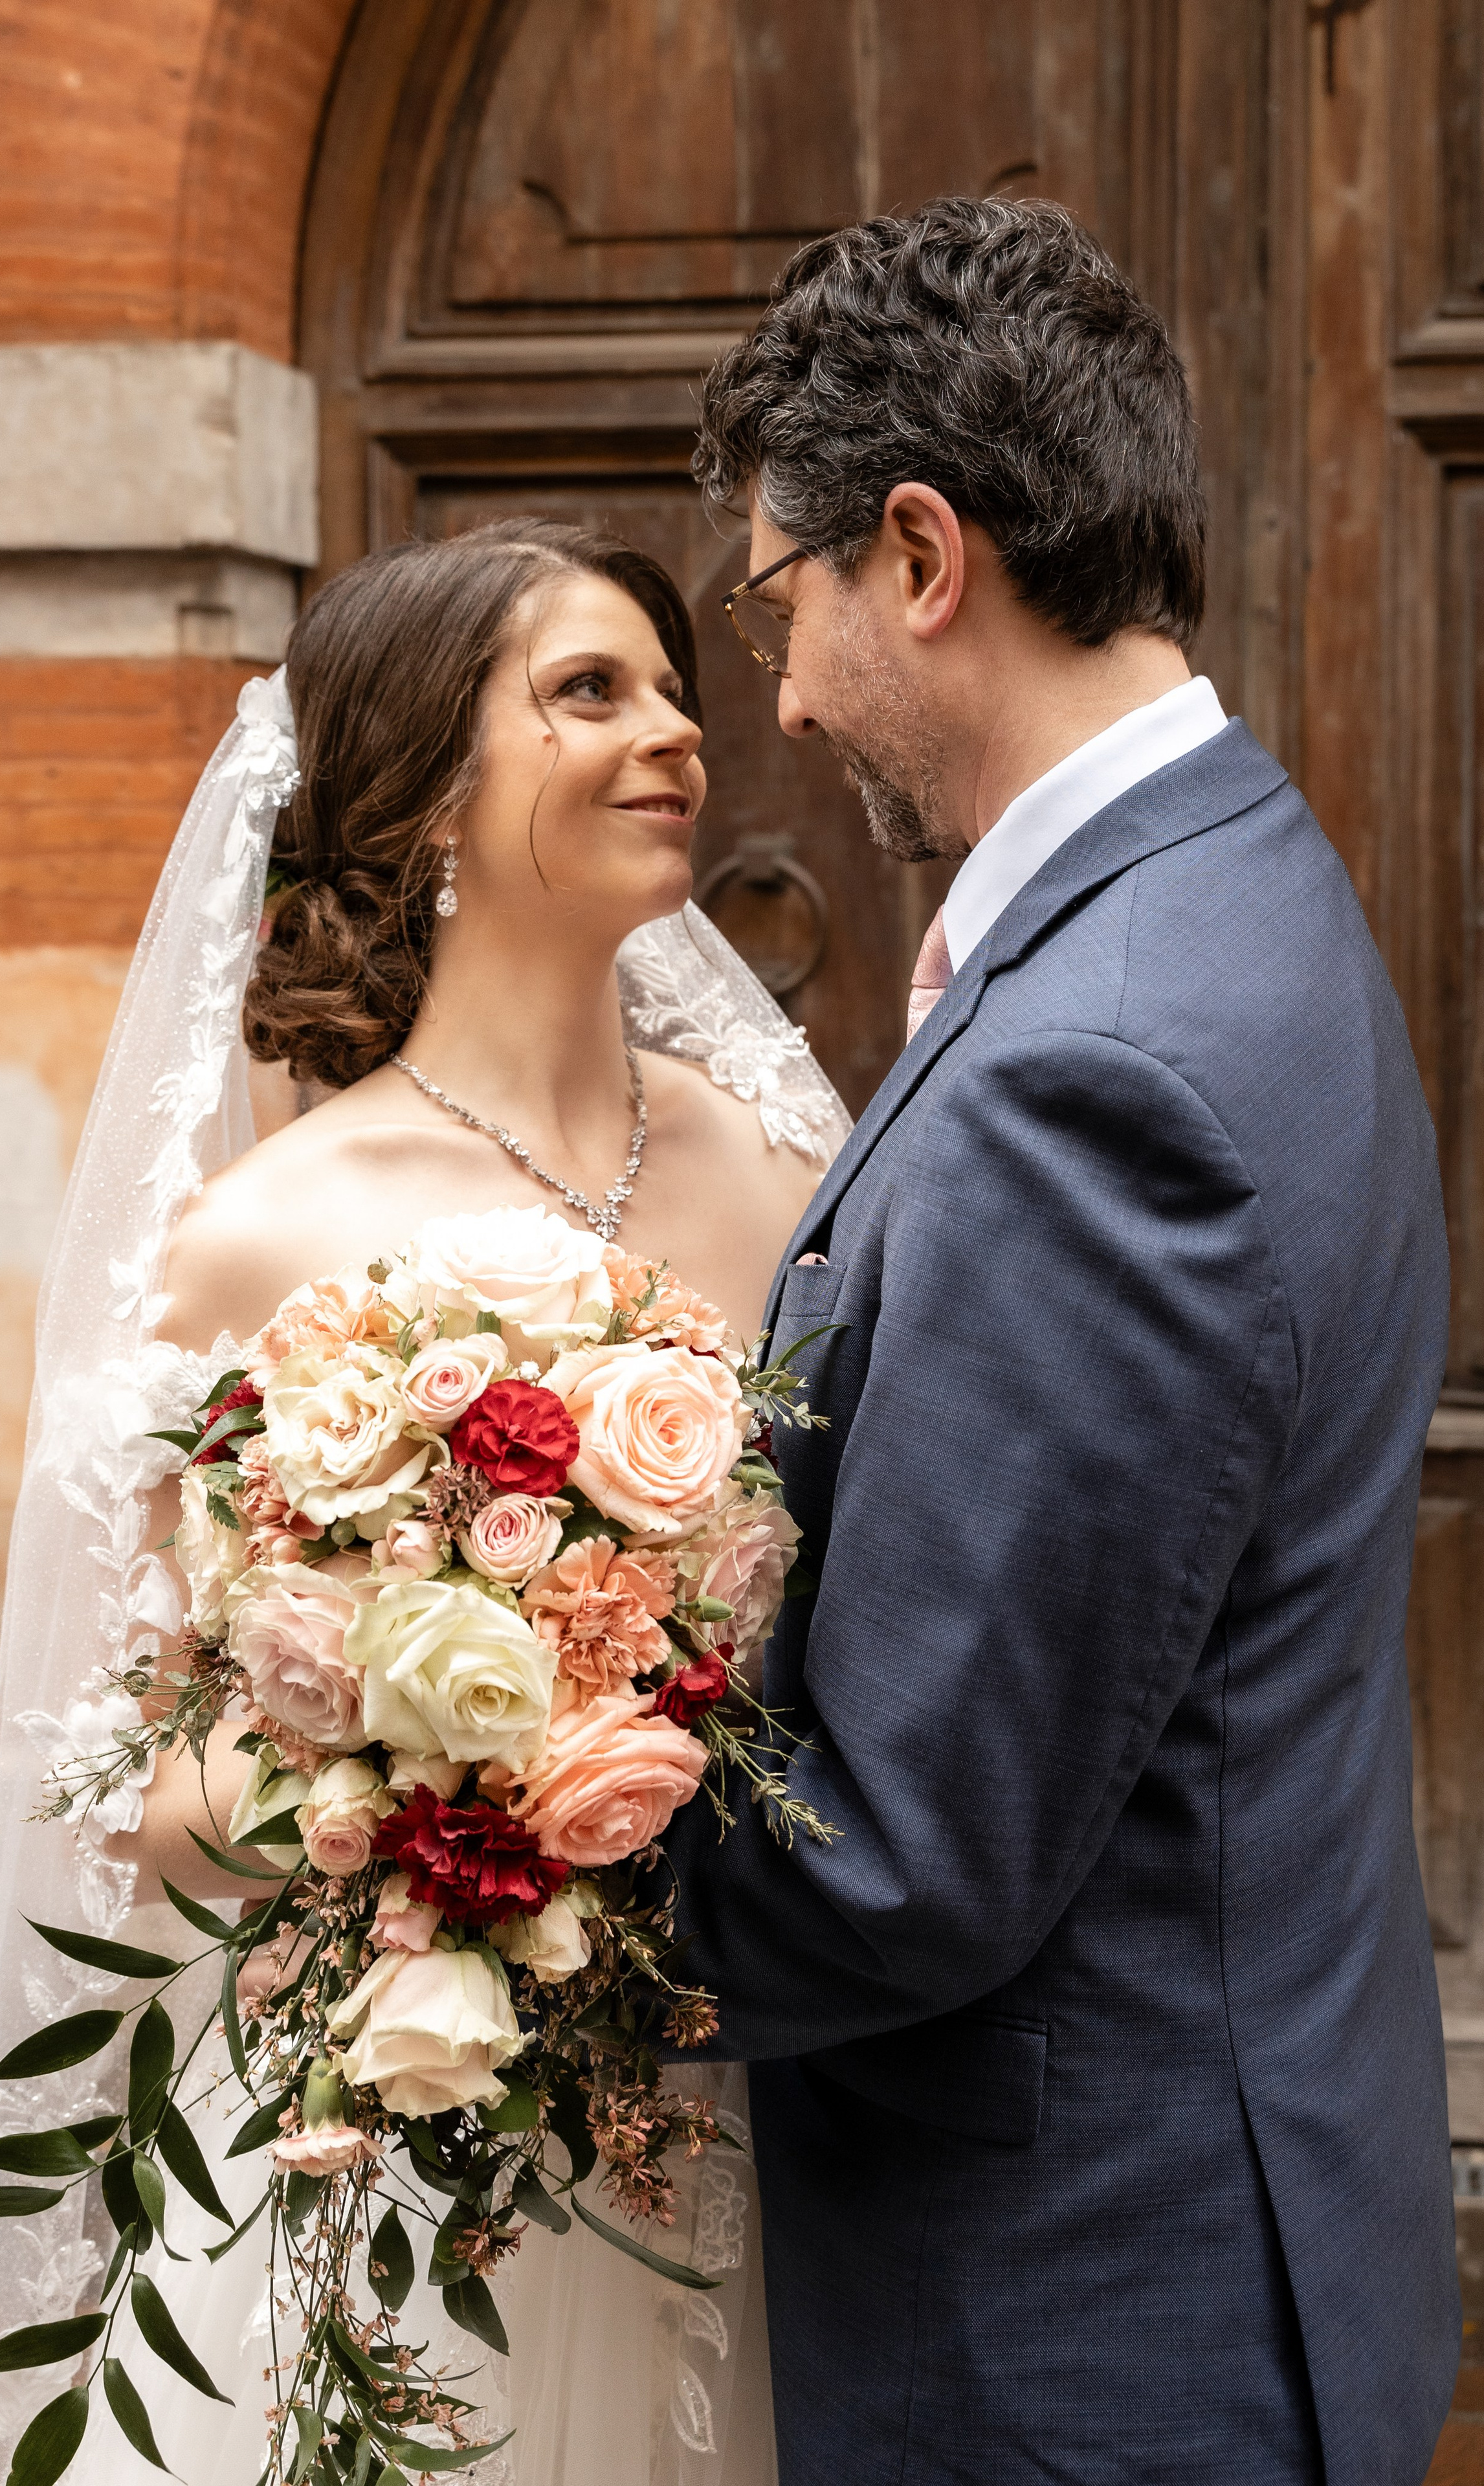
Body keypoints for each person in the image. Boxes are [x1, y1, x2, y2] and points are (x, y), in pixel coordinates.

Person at [0, 517, 848, 2486]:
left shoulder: (786, 1170)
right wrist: (437, 1778)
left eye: (674, 690)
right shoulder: (253, 1243)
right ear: (424, 795)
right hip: (381, 2136)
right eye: (590, 691)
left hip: (735, 2133)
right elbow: (135, 1802)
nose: (675, 734)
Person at [664, 195, 1459, 2485]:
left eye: (779, 602)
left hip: (1085, 2332)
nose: (785, 695)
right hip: (1221, 2206)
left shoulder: (1099, 1068)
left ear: (924, 554)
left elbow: (905, 1851)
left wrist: (458, 1854)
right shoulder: (1245, 879)